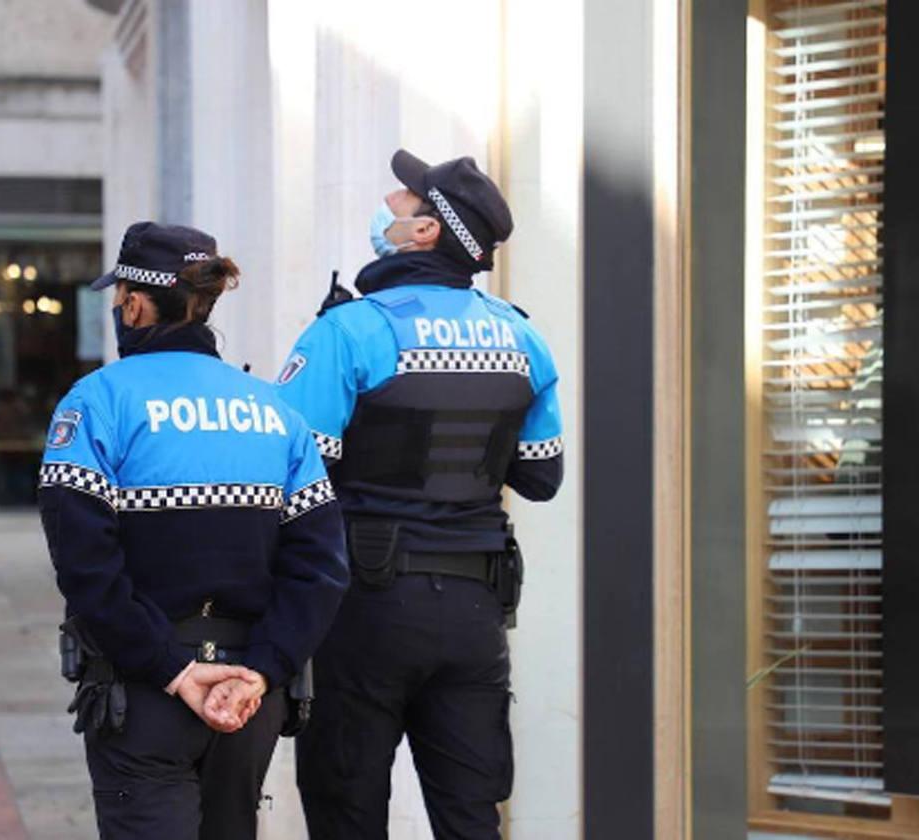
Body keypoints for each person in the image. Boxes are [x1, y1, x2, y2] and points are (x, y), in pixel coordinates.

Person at [276, 150, 565, 839]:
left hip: (364, 608)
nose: (389, 200)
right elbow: (540, 477)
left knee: (347, 809)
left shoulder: (350, 331)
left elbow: (290, 479)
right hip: (475, 612)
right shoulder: (522, 335)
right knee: (470, 818)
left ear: (426, 232)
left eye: (406, 198)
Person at [36, 221, 349, 840]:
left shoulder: (96, 401)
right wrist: (260, 670)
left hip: (145, 692)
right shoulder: (274, 411)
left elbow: (85, 565)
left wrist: (175, 670)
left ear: (133, 302)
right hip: (248, 697)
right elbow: (320, 569)